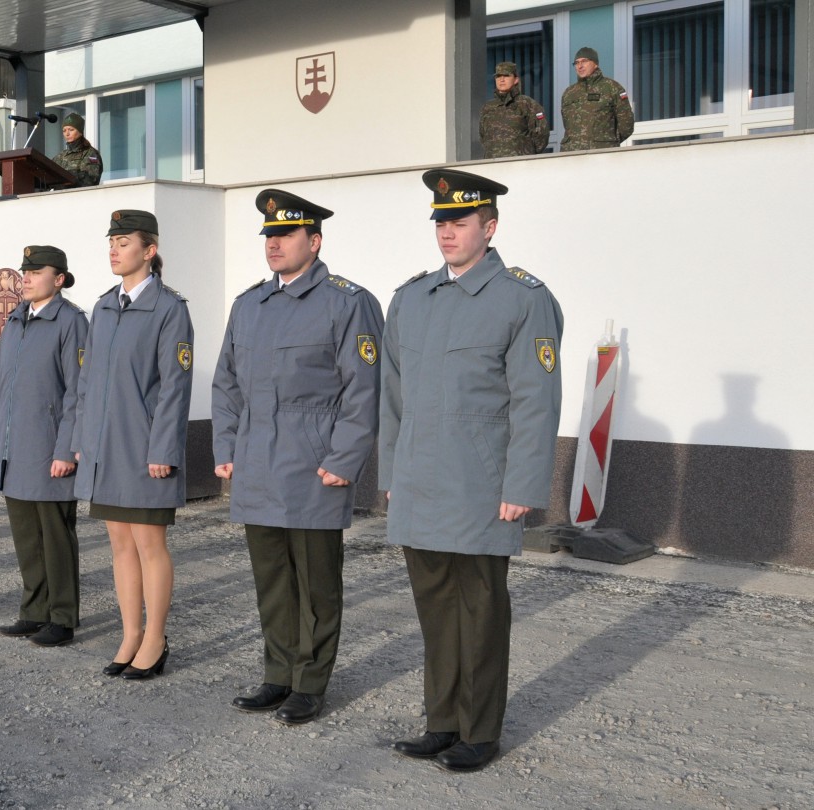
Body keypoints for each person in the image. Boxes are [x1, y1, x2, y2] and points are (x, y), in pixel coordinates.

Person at [381, 169, 563, 772]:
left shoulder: (522, 298)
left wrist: (523, 484)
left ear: (490, 227)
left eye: (459, 222)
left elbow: (536, 401)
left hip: (481, 485)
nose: (447, 232)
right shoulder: (411, 298)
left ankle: (480, 731)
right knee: (435, 611)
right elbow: (392, 398)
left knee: (481, 613)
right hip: (420, 481)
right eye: (441, 222)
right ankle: (442, 723)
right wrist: (392, 473)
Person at [211, 190, 384, 725]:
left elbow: (364, 389)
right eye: (269, 235)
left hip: (313, 466)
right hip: (256, 462)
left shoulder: (346, 302)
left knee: (315, 585)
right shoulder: (249, 305)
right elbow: (226, 383)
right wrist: (226, 446)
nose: (274, 244)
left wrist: (344, 459)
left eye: (286, 235)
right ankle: (278, 674)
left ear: (315, 241)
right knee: (272, 581)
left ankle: (310, 683)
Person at [73, 210, 193, 679]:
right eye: (112, 242)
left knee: (149, 545)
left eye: (124, 243)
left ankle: (156, 637)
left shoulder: (169, 308)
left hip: (143, 448)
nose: (114, 250)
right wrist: (82, 438)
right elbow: (86, 381)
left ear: (149, 251)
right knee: (120, 545)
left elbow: (174, 386)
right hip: (106, 446)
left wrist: (163, 449)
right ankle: (130, 634)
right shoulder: (104, 306)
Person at [0, 245, 87, 646]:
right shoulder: (15, 320)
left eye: (35, 271)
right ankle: (33, 610)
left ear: (58, 279)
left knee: (55, 538)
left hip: (48, 448)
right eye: (24, 271)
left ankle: (62, 617)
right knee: (27, 536)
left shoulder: (70, 322)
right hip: (14, 447)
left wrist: (66, 450)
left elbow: (77, 392)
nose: (25, 278)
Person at [560, 47, 634, 152]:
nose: (580, 66)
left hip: (601, 154)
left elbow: (626, 125)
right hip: (572, 154)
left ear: (595, 64)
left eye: (584, 61)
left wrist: (608, 141)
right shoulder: (569, 93)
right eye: (576, 63)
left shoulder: (611, 88)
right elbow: (567, 126)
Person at [479, 61, 549, 158]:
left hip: (520, 163)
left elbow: (542, 135)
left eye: (506, 76)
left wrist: (527, 154)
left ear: (516, 80)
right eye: (498, 76)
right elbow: (483, 136)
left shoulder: (527, 104)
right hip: (493, 163)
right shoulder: (487, 108)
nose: (501, 79)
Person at [53, 113, 102, 187]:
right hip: (60, 194)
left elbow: (90, 179)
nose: (67, 134)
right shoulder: (59, 157)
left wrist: (67, 175)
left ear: (80, 132)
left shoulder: (91, 154)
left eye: (71, 130)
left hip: (81, 193)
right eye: (64, 130)